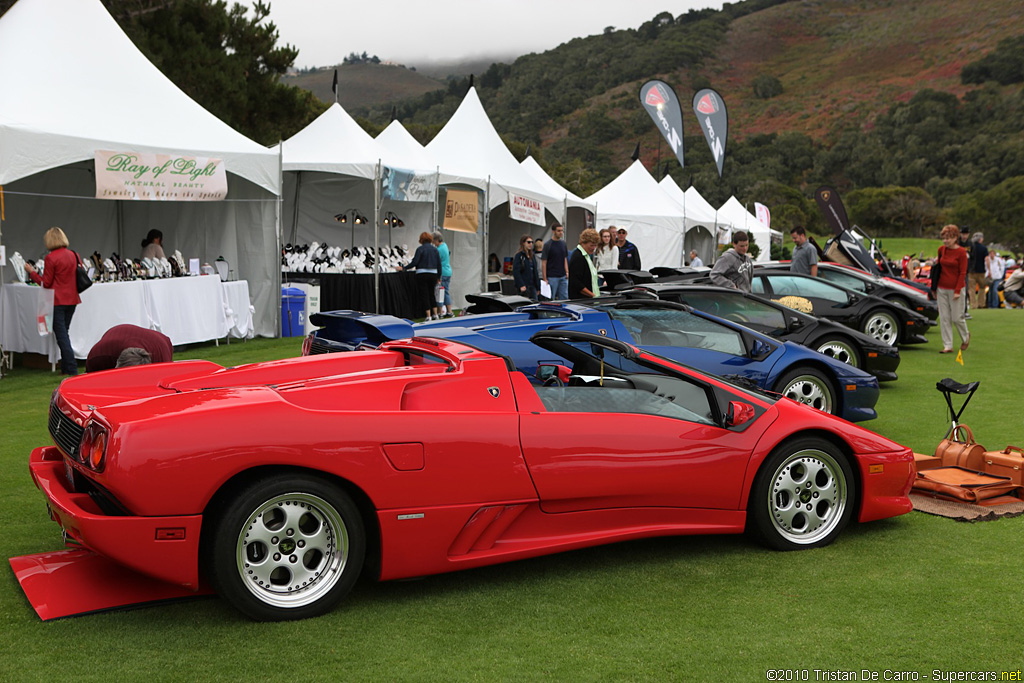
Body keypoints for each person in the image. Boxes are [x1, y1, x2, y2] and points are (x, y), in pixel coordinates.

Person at [24, 227, 81, 375]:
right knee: (64, 333)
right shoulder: (74, 255)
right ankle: (66, 367)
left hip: (57, 301)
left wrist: (32, 273)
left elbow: (47, 283)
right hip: (72, 299)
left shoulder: (51, 258)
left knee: (62, 335)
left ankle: (72, 368)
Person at [935, 224, 969, 354]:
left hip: (956, 288)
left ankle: (965, 337)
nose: (945, 241)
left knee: (957, 318)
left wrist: (957, 290)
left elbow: (962, 273)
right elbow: (938, 268)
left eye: (948, 238)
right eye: (944, 238)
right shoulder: (941, 250)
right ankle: (948, 345)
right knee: (944, 317)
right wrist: (934, 287)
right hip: (941, 287)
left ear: (955, 237)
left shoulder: (961, 252)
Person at [86, 323, 173, 373]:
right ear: (116, 364)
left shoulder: (161, 359)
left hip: (157, 340)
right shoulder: (98, 356)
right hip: (116, 336)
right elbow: (90, 384)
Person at [402, 232, 441, 321]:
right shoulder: (435, 250)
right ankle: (435, 314)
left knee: (424, 294)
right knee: (432, 294)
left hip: (422, 274)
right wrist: (439, 276)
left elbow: (415, 262)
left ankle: (428, 315)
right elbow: (439, 264)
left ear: (421, 240)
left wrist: (405, 268)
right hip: (433, 274)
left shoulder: (420, 249)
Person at [568, 229, 601, 299]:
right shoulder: (578, 257)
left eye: (595, 246)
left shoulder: (586, 256)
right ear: (583, 243)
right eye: (591, 245)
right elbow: (576, 283)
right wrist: (593, 295)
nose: (593, 248)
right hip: (581, 301)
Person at [541, 223, 569, 300]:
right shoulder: (548, 245)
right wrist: (545, 278)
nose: (561, 233)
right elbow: (544, 262)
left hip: (563, 276)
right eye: (558, 231)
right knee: (551, 298)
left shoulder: (563, 243)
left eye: (562, 231)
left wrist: (567, 272)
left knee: (564, 298)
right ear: (553, 231)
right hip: (552, 276)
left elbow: (565, 258)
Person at [432, 230, 454, 318]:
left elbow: (435, 262)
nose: (433, 243)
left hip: (442, 273)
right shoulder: (445, 246)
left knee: (439, 292)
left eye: (434, 241)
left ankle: (440, 312)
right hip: (448, 271)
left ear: (437, 240)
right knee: (446, 292)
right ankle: (449, 311)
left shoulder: (438, 250)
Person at [512, 234, 540, 301]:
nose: (530, 244)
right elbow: (516, 272)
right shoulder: (519, 256)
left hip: (532, 285)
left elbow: (535, 272)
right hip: (524, 284)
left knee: (535, 302)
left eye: (532, 242)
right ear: (523, 243)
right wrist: (521, 284)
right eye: (528, 242)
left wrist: (538, 287)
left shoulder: (532, 256)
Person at [966, 231, 989, 309]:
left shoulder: (970, 247)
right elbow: (987, 259)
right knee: (982, 287)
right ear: (980, 239)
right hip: (981, 271)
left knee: (971, 289)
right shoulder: (984, 248)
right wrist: (989, 269)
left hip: (971, 271)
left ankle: (973, 304)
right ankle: (981, 303)